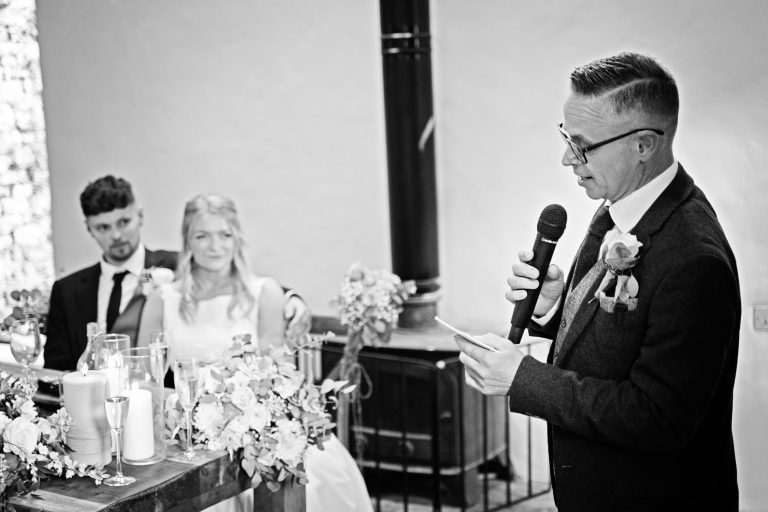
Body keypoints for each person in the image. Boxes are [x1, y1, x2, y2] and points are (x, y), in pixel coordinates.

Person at [454, 53, 740, 512]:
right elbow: (616, 343)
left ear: (643, 145)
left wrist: (522, 378)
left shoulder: (694, 259)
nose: (567, 158)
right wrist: (554, 307)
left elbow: (658, 417)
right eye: (567, 137)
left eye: (582, 145)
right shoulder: (618, 207)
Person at [139, 193, 373, 512]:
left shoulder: (265, 292)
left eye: (225, 234)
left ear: (237, 237)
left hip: (253, 426)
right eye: (202, 236)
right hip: (187, 432)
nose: (215, 246)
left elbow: (278, 373)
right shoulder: (163, 298)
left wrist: (250, 414)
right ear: (187, 240)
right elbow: (144, 377)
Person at [43, 175, 310, 372]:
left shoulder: (173, 265)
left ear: (140, 216)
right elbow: (55, 367)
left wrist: (293, 299)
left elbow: (244, 283)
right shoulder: (67, 291)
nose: (116, 235)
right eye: (103, 227)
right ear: (89, 228)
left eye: (123, 222)